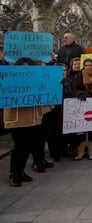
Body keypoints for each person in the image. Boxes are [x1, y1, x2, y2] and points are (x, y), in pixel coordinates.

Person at [4, 57, 45, 186]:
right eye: (23, 66)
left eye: (28, 66)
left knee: (28, 147)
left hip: (33, 118)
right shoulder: (10, 80)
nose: (25, 69)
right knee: (19, 147)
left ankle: (21, 171)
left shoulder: (36, 81)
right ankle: (14, 174)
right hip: (17, 118)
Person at [72, 58, 92, 160]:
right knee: (81, 129)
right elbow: (75, 89)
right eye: (86, 65)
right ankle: (81, 152)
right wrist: (81, 94)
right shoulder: (79, 75)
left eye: (90, 65)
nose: (88, 67)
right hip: (83, 103)